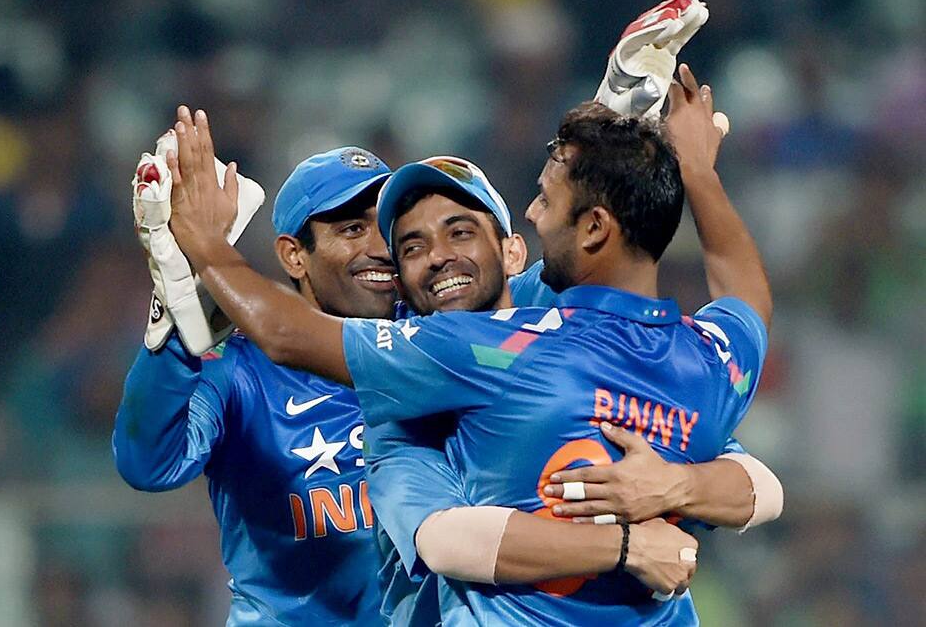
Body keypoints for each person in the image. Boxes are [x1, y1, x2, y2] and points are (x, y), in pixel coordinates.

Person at [163, 64, 775, 625]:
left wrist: (201, 243)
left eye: (461, 231)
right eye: (411, 247)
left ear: (516, 251)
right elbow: (757, 465)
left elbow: (286, 332)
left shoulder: (485, 352)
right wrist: (693, 170)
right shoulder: (704, 357)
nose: (536, 214)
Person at [114, 146, 398, 625]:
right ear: (294, 256)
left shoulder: (436, 339)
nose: (381, 247)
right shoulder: (240, 366)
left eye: (388, 226)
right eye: (352, 229)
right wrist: (178, 321)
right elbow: (149, 464)